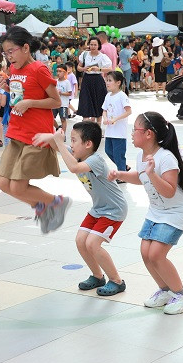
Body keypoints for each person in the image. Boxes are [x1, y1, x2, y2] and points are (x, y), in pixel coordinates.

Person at [107, 112, 183, 315]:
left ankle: (182, 295)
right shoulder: (141, 156)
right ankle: (165, 291)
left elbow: (169, 191)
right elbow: (140, 177)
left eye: (135, 129)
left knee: (156, 254)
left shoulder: (166, 158)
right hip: (156, 211)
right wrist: (120, 174)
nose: (131, 133)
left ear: (148, 134)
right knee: (145, 253)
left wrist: (152, 172)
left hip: (175, 212)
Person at [34, 122, 128, 296]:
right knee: (80, 241)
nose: (71, 145)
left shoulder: (95, 160)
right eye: (70, 140)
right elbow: (58, 146)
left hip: (114, 210)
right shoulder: (78, 155)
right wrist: (50, 137)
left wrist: (60, 143)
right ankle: (98, 276)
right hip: (98, 208)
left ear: (88, 144)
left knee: (92, 244)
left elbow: (73, 168)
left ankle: (116, 281)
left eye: (74, 140)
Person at [0, 26, 71, 233]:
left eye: (11, 51)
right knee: (4, 184)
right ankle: (41, 206)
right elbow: (18, 97)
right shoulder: (14, 70)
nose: (8, 56)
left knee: (17, 187)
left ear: (26, 48)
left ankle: (55, 202)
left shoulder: (39, 69)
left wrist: (30, 103)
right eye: (6, 52)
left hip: (36, 135)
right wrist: (6, 88)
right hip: (16, 132)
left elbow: (56, 101)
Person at [101, 70, 131, 173]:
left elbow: (128, 111)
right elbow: (104, 110)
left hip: (119, 132)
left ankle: (122, 173)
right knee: (108, 151)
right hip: (110, 130)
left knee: (118, 153)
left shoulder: (122, 96)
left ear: (118, 83)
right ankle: (123, 166)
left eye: (110, 80)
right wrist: (105, 118)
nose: (107, 83)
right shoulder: (108, 96)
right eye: (106, 80)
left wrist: (115, 119)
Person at [77, 37, 112, 122]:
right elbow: (78, 67)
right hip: (87, 79)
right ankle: (86, 126)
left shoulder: (102, 56)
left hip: (97, 80)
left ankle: (98, 127)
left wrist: (99, 69)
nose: (93, 46)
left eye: (95, 45)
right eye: (91, 44)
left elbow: (110, 68)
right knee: (85, 102)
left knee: (98, 103)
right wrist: (84, 69)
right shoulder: (85, 54)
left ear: (98, 45)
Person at [54, 64, 72, 133]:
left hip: (63, 104)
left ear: (64, 72)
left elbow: (69, 93)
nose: (58, 73)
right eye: (57, 71)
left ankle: (63, 134)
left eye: (60, 71)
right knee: (51, 118)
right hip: (55, 104)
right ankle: (57, 127)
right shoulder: (55, 81)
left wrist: (61, 93)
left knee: (63, 119)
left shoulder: (67, 82)